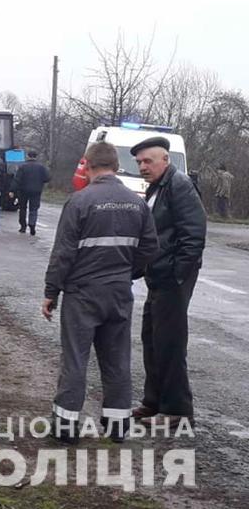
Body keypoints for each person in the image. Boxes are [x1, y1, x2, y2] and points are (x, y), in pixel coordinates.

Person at [43, 141, 159, 443]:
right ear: (117, 167)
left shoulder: (80, 201)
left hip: (82, 294)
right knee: (118, 360)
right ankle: (118, 427)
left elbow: (63, 253)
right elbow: (149, 248)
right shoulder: (137, 203)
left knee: (75, 360)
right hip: (119, 293)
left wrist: (51, 292)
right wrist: (127, 272)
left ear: (88, 166)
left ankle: (66, 429)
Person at [131, 136, 207, 430]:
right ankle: (153, 402)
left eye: (148, 161)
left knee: (170, 343)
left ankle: (176, 409)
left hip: (173, 279)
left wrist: (177, 274)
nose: (142, 166)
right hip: (158, 276)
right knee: (152, 339)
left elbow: (194, 234)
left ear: (166, 160)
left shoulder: (179, 185)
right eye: (139, 162)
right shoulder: (157, 187)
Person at [11, 149, 51, 235]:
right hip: (36, 190)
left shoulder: (22, 167)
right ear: (36, 157)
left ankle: (23, 226)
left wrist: (12, 190)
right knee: (34, 208)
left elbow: (17, 179)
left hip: (23, 190)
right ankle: (32, 224)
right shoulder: (41, 167)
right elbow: (47, 178)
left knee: (22, 208)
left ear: (28, 156)